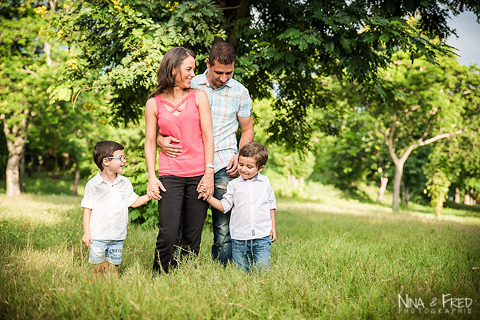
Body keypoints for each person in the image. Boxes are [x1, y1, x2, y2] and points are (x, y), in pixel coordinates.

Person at [157, 41, 254, 265]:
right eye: (219, 72)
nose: (224, 78)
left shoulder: (240, 91)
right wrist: (161, 140)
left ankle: (222, 269)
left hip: (223, 164)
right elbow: (161, 115)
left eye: (229, 72)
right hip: (189, 163)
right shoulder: (189, 82)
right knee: (182, 222)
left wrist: (239, 155)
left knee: (223, 226)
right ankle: (177, 266)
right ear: (208, 64)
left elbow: (247, 130)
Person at [145, 47, 214, 274]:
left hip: (197, 175)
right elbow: (149, 141)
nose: (193, 73)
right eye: (188, 69)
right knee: (168, 232)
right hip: (169, 175)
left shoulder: (199, 97)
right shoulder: (153, 104)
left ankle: (185, 275)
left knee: (193, 233)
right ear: (173, 69)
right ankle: (160, 276)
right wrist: (152, 177)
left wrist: (209, 173)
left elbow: (208, 136)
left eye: (194, 69)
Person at [201, 142, 277, 272]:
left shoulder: (265, 182)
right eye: (241, 165)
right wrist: (208, 197)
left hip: (262, 236)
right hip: (239, 239)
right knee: (242, 272)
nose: (243, 169)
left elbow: (271, 205)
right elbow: (224, 206)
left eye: (249, 166)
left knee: (263, 270)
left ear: (260, 168)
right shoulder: (233, 185)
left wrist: (273, 228)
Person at [81, 140, 151, 277]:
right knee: (98, 269)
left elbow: (134, 202)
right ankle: (96, 291)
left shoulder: (125, 183)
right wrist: (87, 233)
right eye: (120, 158)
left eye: (124, 157)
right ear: (106, 162)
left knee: (113, 268)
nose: (124, 161)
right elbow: (87, 209)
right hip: (98, 236)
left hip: (117, 236)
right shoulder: (93, 185)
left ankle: (113, 290)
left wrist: (150, 195)